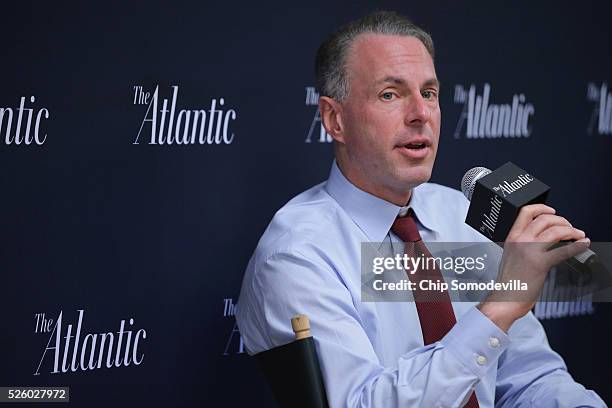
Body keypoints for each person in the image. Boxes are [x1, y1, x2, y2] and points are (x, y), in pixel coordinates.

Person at [236, 11, 606, 407]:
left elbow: (530, 379)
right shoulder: (297, 253)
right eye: (390, 94)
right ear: (334, 119)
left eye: (429, 93)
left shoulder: (461, 215)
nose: (420, 114)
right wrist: (498, 309)